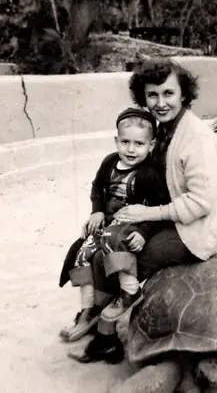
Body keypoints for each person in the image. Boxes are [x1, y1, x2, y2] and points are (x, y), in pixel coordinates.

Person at [68, 58, 217, 364]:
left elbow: (200, 203)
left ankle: (106, 339)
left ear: (184, 94)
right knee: (90, 245)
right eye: (152, 95)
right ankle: (94, 316)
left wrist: (145, 215)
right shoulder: (165, 129)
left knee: (118, 258)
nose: (160, 102)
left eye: (168, 93)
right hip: (167, 214)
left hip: (195, 228)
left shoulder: (197, 139)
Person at [59, 107, 170, 343]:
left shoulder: (150, 174)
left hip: (131, 224)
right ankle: (88, 310)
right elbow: (97, 188)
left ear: (151, 146)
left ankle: (130, 290)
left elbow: (158, 209)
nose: (131, 149)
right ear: (116, 141)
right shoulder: (110, 162)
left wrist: (143, 232)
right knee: (82, 251)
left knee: (110, 238)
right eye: (125, 142)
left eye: (139, 144)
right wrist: (96, 211)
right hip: (108, 223)